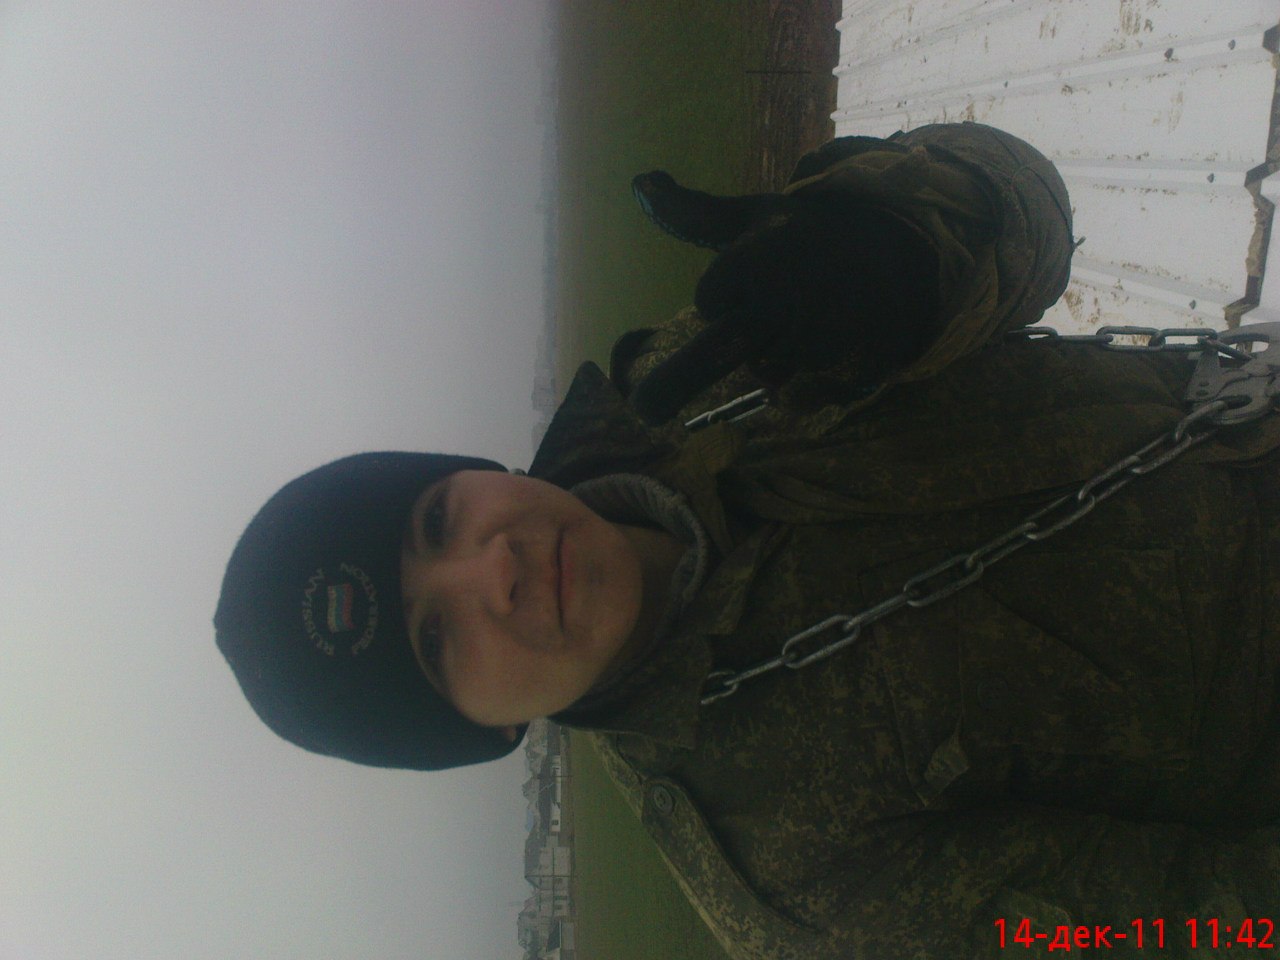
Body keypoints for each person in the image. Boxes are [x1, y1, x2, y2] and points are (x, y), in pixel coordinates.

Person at [215, 122, 1280, 959]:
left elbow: (1025, 210)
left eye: (436, 520)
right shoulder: (792, 878)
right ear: (487, 732)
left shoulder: (700, 372)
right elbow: (1222, 927)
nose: (491, 569)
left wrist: (912, 236)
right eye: (437, 639)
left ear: (474, 474)